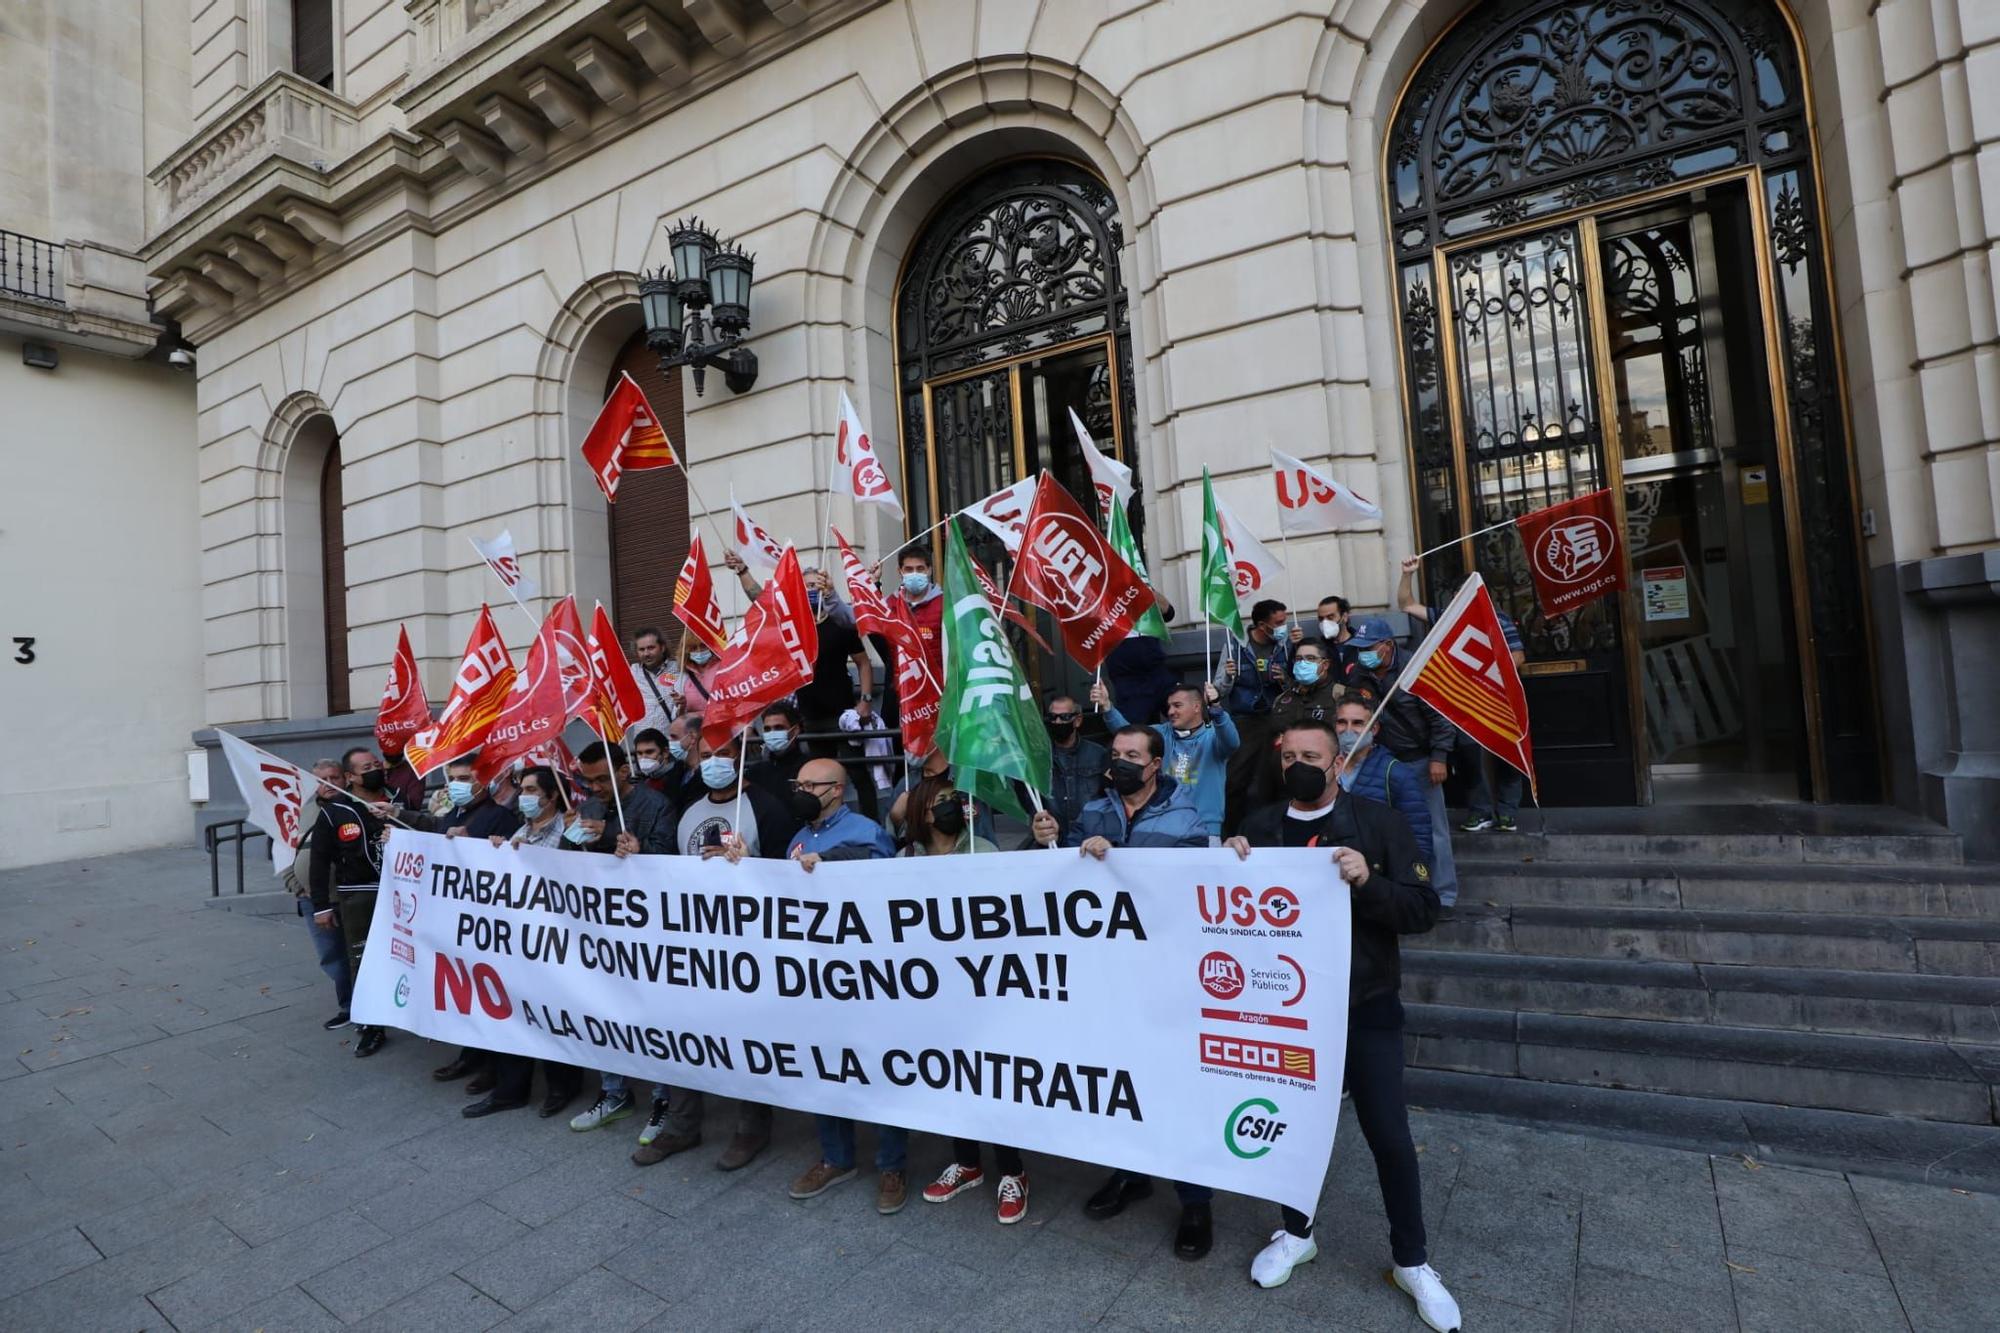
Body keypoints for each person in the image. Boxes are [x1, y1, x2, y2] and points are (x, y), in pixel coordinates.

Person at [1225, 719, 1460, 1332]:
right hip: (1286, 1012)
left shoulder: (1378, 824)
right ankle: (1296, 1231)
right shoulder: (1259, 827)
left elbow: (1423, 909)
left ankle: (1412, 1260)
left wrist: (1369, 882)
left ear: (1338, 763)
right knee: (1292, 1130)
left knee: (1389, 1135)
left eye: (1313, 755)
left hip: (1366, 1005)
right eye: (1291, 755)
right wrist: (1227, 868)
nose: (1299, 763)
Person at [1029, 727, 1213, 1257]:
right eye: (1116, 756)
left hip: (1168, 974)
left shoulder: (1186, 818)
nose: (1122, 763)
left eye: (1133, 756)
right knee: (1121, 1081)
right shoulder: (1095, 811)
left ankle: (1195, 1200)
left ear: (1157, 764)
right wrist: (1056, 843)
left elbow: (1192, 886)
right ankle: (1132, 1173)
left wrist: (1126, 860)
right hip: (1109, 975)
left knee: (1175, 1088)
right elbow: (1069, 879)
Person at [635, 729, 796, 1168]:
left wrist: (752, 868)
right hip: (694, 946)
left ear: (742, 756)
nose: (712, 762)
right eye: (705, 755)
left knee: (743, 1040)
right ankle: (683, 1127)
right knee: (685, 1036)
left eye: (722, 753)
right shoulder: (690, 809)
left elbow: (794, 878)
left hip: (749, 948)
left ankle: (751, 1130)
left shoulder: (766, 807)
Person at [903, 774, 1028, 1224]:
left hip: (981, 990)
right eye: (941, 801)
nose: (952, 806)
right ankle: (968, 1164)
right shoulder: (903, 860)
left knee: (991, 1081)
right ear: (920, 811)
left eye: (954, 799)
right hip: (930, 993)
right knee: (950, 1079)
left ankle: (1012, 1171)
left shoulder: (984, 851)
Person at [783, 758, 905, 1212]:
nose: (801, 789)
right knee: (825, 1065)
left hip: (865, 975)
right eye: (799, 782)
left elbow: (885, 881)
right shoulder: (797, 837)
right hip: (815, 976)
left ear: (835, 790)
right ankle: (836, 1158)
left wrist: (831, 862)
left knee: (880, 1066)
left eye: (810, 784)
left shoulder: (865, 830)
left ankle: (892, 1164)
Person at [463, 764, 585, 1119]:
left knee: (554, 1015)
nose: (525, 796)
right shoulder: (520, 831)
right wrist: (498, 854)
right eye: (523, 789)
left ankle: (563, 1084)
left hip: (557, 941)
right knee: (511, 1013)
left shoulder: (570, 830)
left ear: (551, 796)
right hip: (517, 942)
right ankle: (510, 1089)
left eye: (532, 790)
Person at [567, 740, 674, 1134]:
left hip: (647, 929)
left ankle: (664, 1099)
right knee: (604, 1007)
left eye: (600, 780)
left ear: (623, 771)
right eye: (587, 780)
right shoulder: (589, 807)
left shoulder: (655, 805)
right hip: (600, 926)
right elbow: (567, 860)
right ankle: (614, 1092)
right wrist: (575, 838)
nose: (593, 788)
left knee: (653, 1013)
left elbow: (670, 859)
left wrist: (639, 848)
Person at [1395, 557, 1529, 835]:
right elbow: (1407, 604)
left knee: (1507, 755)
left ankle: (1507, 812)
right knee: (1469, 756)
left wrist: (1483, 672)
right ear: (1455, 597)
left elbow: (1517, 657)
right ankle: (1480, 811)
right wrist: (1408, 574)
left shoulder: (1498, 620)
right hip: (1464, 701)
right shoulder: (1446, 619)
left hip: (1496, 699)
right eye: (1460, 594)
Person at [1346, 613, 1459, 909]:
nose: (1363, 655)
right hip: (1380, 761)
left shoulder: (1416, 668)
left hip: (1419, 761)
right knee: (1386, 829)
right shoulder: (1360, 674)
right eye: (1360, 648)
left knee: (1434, 830)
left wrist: (1439, 757)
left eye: (1369, 648)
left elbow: (1441, 717)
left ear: (1386, 645)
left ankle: (1444, 896)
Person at [427, 755, 522, 1094]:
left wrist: (483, 848)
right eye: (453, 778)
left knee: (493, 997)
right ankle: (473, 1053)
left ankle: (495, 1067)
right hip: (461, 922)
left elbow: (517, 867)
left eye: (465, 778)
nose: (457, 785)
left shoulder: (502, 817)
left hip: (493, 926)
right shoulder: (450, 814)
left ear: (483, 780)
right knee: (468, 993)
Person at [307, 747, 395, 1058]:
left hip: (403, 892)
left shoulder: (400, 802)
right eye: (365, 767)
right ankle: (371, 1026)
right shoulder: (335, 812)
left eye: (376, 764)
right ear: (350, 777)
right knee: (363, 960)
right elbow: (318, 863)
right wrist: (321, 906)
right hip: (359, 895)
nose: (374, 769)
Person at [1092, 679, 1237, 841]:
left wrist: (1216, 707)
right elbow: (1128, 736)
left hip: (1205, 829)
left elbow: (1232, 741)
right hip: (1164, 827)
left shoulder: (1213, 737)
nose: (1170, 711)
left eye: (1177, 705)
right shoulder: (1161, 733)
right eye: (1169, 706)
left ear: (1197, 707)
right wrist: (1107, 706)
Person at [280, 758, 352, 1030]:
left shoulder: (357, 809)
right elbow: (284, 851)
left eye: (334, 778)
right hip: (311, 900)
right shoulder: (302, 813)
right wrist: (297, 886)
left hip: (346, 898)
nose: (329, 785)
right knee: (330, 955)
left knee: (356, 954)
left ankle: (368, 1010)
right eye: (322, 781)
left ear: (345, 778)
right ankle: (348, 1007)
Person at [1333, 696, 1434, 868]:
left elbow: (1418, 835)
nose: (1348, 730)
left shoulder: (1396, 773)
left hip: (1377, 873)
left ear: (1374, 729)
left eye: (1358, 723)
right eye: (1342, 722)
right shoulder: (1325, 768)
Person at [1037, 694, 1106, 837]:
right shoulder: (1039, 757)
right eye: (1052, 717)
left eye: (1065, 717)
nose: (1057, 722)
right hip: (1051, 838)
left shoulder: (1098, 754)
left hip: (1091, 836)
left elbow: (1110, 796)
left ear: (1078, 720)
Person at [1102, 593, 1177, 724]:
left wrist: (1147, 588)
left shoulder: (1137, 589)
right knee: (1134, 732)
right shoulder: (1099, 595)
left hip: (1157, 672)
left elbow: (1169, 613)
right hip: (1128, 679)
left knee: (1185, 716)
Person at [1221, 599, 1300, 716]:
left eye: (1284, 622)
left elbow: (1301, 686)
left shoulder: (1287, 645)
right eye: (1279, 623)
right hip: (1246, 716)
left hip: (1280, 712)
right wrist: (1228, 677)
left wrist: (1285, 679)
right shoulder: (1235, 646)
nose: (1284, 627)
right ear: (1262, 625)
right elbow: (1220, 690)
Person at [630, 627, 678, 740]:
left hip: (673, 742)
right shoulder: (632, 672)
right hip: (644, 745)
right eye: (641, 649)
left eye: (651, 648)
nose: (646, 653)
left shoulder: (679, 669)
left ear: (662, 647)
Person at [1316, 594, 1354, 673]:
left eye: (1330, 617)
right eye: (1321, 619)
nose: (1325, 623)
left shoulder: (1360, 644)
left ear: (1344, 617)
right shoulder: (1318, 647)